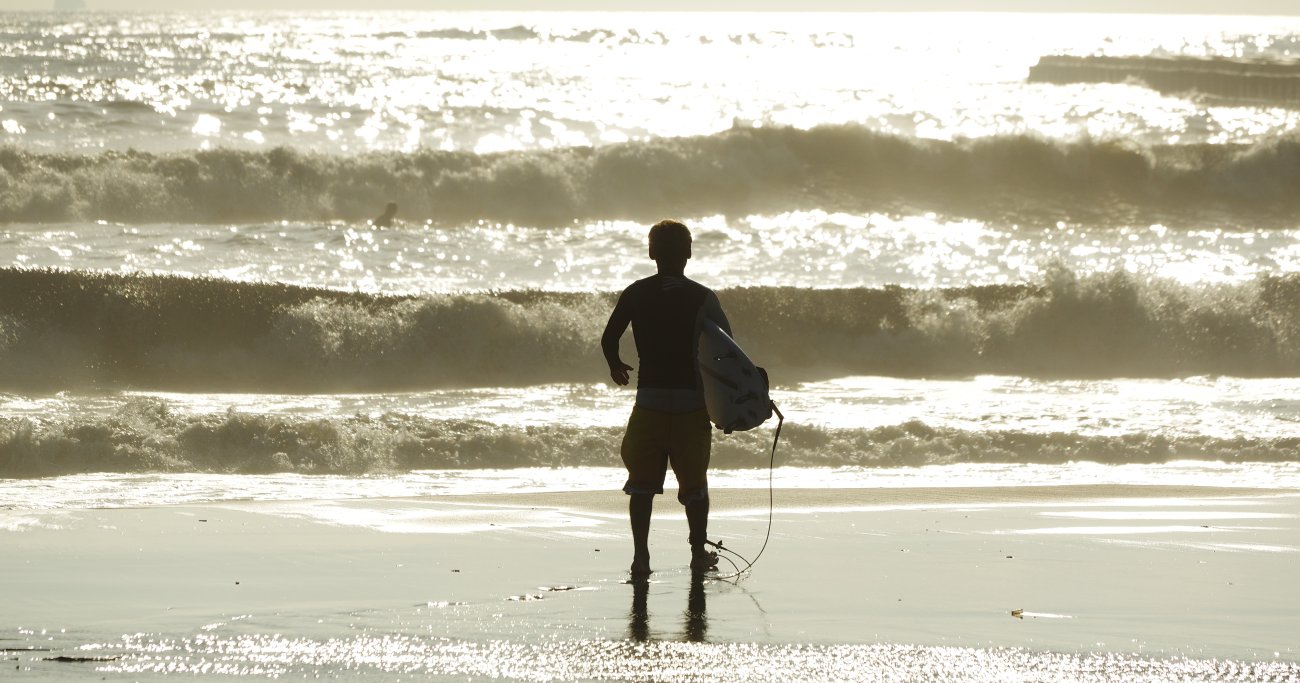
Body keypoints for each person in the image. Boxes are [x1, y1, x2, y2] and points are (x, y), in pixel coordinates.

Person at [601, 219, 733, 577]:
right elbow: (726, 351)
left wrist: (615, 365)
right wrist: (731, 404)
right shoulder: (703, 297)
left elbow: (609, 336)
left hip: (650, 402)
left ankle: (641, 557)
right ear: (689, 254)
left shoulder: (636, 292)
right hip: (691, 404)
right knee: (695, 486)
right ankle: (696, 553)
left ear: (651, 253)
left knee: (641, 486)